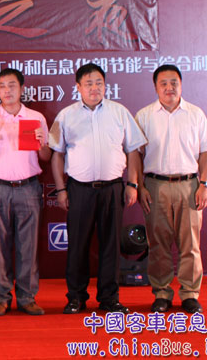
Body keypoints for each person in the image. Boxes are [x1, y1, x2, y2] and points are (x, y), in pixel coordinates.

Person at [49, 63, 146, 314]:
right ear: (78, 87)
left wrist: (132, 183)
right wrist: (61, 189)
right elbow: (57, 154)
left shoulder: (119, 112)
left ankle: (109, 298)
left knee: (111, 245)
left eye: (99, 83)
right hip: (79, 189)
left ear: (105, 85)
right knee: (77, 245)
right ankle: (76, 297)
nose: (95, 88)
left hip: (113, 188)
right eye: (89, 83)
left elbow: (133, 150)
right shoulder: (66, 116)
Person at [0, 68, 51, 317]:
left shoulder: (36, 118)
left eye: (12, 85)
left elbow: (46, 156)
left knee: (28, 246)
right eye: (2, 86)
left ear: (22, 88)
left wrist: (42, 143)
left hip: (28, 188)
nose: (7, 90)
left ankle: (27, 297)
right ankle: (1, 298)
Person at [135, 64, 207, 314]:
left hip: (189, 186)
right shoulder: (144, 115)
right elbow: (136, 155)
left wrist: (204, 185)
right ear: (155, 87)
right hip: (155, 186)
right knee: (158, 243)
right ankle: (161, 293)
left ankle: (190, 293)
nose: (169, 87)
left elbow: (205, 153)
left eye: (174, 83)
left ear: (181, 85)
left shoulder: (195, 114)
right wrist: (140, 186)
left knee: (190, 244)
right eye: (164, 83)